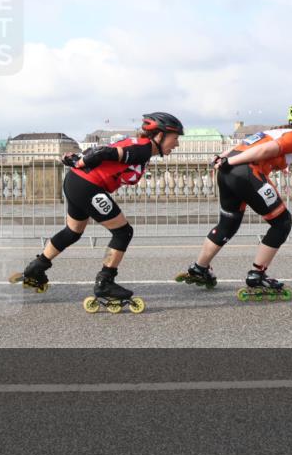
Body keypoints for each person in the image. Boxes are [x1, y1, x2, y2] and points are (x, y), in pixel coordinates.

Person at [12, 112, 184, 313]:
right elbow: (103, 153)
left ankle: (36, 268)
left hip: (77, 182)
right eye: (175, 138)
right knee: (123, 232)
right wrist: (81, 162)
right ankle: (105, 282)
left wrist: (78, 160)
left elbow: (104, 153)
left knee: (73, 231)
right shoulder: (143, 149)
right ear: (160, 135)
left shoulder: (140, 147)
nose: (177, 144)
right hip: (88, 186)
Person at [177, 105, 292, 300]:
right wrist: (230, 162)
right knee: (282, 223)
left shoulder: (274, 132)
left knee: (227, 224)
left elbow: (242, 146)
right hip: (246, 173)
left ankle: (199, 268)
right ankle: (257, 275)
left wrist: (224, 159)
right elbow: (264, 150)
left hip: (228, 174)